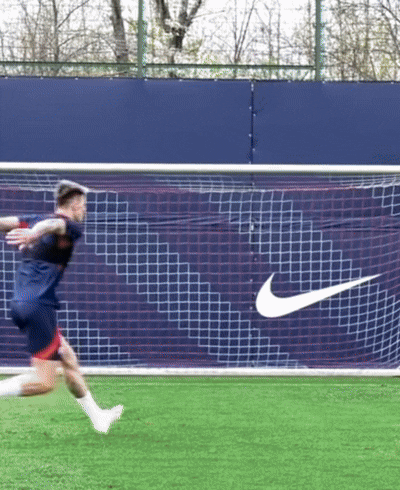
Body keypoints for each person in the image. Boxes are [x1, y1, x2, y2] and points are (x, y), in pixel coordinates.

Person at [0, 180, 123, 434]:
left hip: (24, 304)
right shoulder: (70, 226)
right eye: (84, 204)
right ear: (75, 204)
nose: (85, 210)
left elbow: (8, 222)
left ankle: (98, 418)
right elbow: (53, 225)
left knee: (67, 357)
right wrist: (35, 233)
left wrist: (33, 231)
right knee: (45, 382)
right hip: (38, 306)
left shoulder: (32, 219)